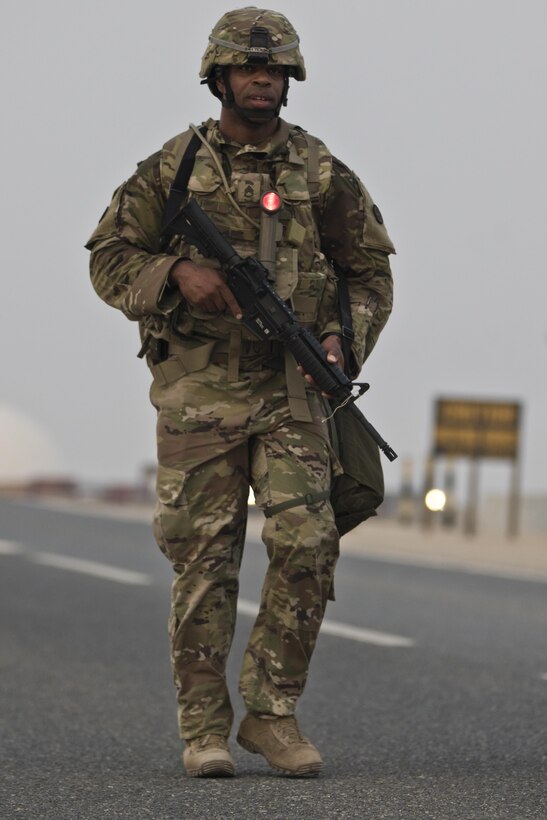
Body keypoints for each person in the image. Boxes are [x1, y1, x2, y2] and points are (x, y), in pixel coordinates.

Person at [86, 6, 395, 778]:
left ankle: (271, 714)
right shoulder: (176, 168)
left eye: (276, 71)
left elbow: (369, 272)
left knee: (308, 543)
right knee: (203, 560)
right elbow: (108, 258)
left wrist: (339, 340)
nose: (263, 81)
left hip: (291, 392)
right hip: (200, 396)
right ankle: (203, 730)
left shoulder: (319, 171)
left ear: (288, 82)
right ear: (219, 77)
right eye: (249, 70)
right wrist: (174, 275)